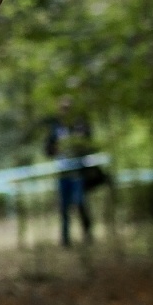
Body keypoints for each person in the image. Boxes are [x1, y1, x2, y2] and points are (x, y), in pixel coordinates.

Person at [45, 97, 94, 246]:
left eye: (68, 108)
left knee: (80, 202)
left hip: (78, 171)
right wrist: (55, 148)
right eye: (63, 108)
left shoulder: (80, 125)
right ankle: (65, 240)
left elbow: (90, 143)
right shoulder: (56, 127)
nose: (66, 111)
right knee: (64, 206)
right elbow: (48, 148)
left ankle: (87, 233)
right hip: (63, 172)